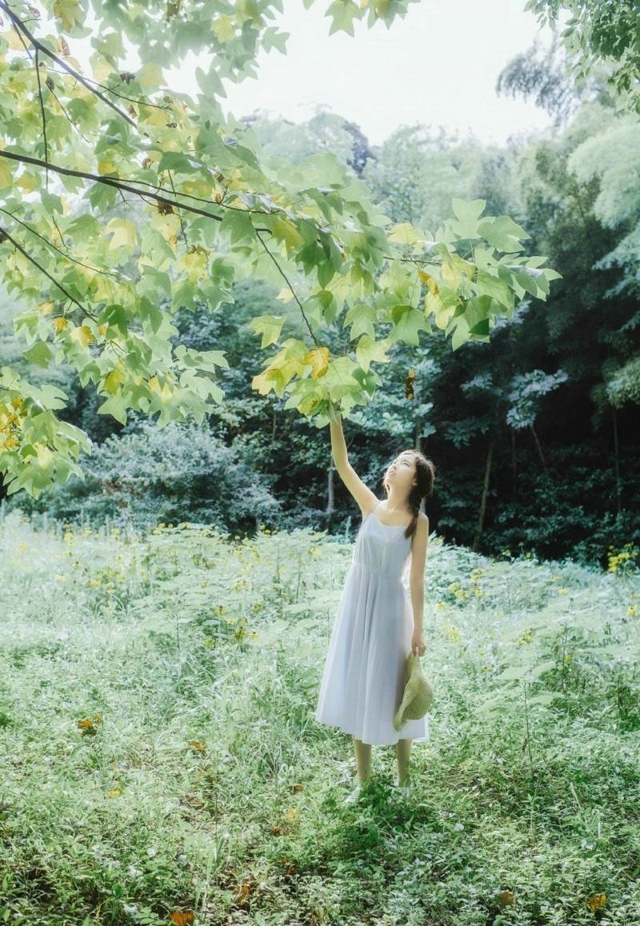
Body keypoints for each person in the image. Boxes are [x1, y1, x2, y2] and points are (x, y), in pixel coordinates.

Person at [315, 406, 436, 800]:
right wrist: (335, 415)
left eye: (403, 463)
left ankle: (403, 780)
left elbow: (415, 579)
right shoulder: (371, 505)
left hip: (389, 609)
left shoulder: (418, 521)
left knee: (397, 689)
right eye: (395, 461)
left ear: (415, 479)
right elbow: (341, 461)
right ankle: (363, 782)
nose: (393, 466)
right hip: (357, 602)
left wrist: (418, 627)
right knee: (357, 682)